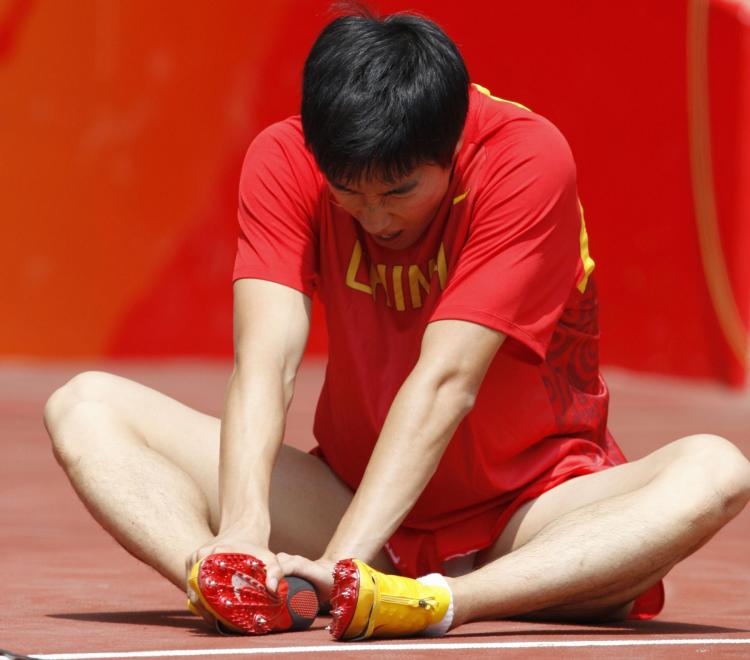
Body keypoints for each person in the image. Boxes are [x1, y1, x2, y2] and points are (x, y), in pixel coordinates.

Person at [44, 8, 750, 639]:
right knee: (86, 406)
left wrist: (338, 563)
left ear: (451, 145)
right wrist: (242, 529)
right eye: (349, 193)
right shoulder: (284, 159)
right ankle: (226, 586)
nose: (376, 218)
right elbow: (266, 362)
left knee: (716, 472)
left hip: (530, 520)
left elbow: (445, 382)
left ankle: (442, 602)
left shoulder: (524, 161)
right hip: (353, 506)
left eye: (400, 191)